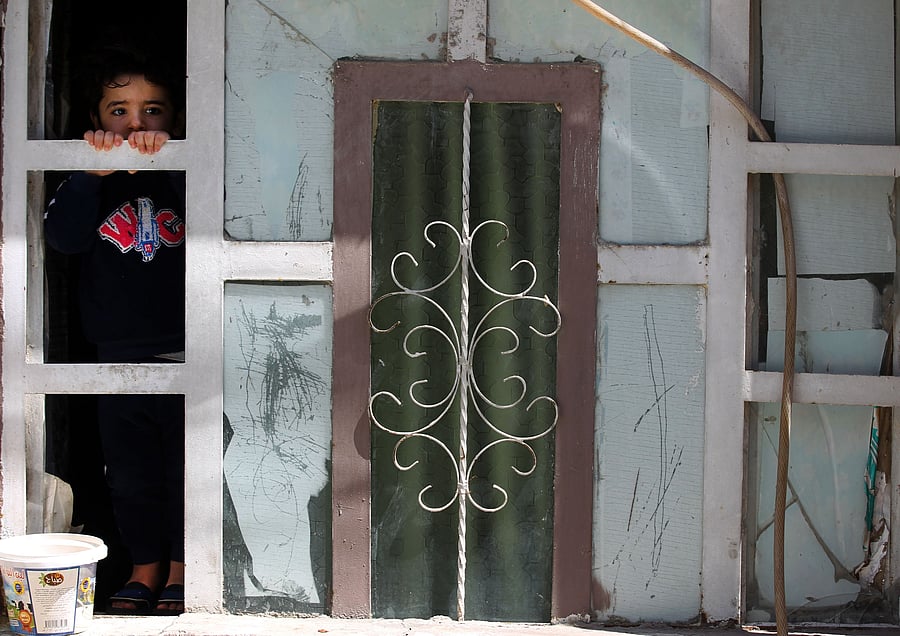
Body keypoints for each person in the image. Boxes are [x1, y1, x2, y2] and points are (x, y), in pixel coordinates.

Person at [43, 42, 186, 616]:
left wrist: (171, 161)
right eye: (118, 111)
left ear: (174, 119)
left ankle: (181, 569)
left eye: (152, 110)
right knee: (130, 476)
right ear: (95, 123)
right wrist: (89, 174)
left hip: (184, 350)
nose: (135, 123)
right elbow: (63, 238)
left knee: (186, 471)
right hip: (116, 355)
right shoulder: (91, 181)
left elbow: (213, 221)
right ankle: (143, 568)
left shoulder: (186, 173)